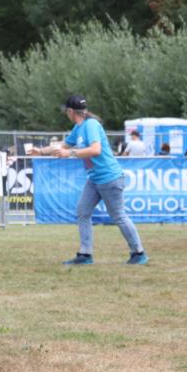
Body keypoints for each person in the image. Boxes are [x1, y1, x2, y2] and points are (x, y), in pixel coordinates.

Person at [30, 95, 147, 265]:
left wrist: (70, 154)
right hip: (95, 179)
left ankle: (138, 253)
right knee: (82, 212)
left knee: (119, 216)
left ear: (70, 111)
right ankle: (85, 255)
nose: (66, 114)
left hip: (109, 178)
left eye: (66, 111)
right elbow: (63, 145)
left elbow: (95, 149)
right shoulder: (79, 127)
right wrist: (40, 151)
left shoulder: (91, 125)